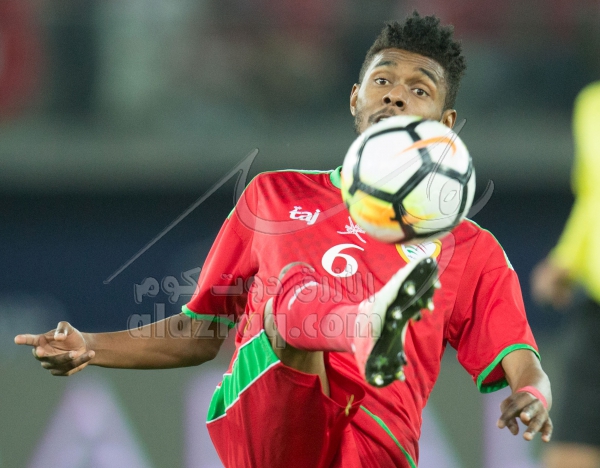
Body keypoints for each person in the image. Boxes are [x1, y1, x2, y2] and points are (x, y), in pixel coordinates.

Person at [15, 12, 553, 468]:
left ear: (446, 123)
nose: (394, 96)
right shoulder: (273, 198)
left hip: (378, 448)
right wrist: (91, 346)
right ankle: (364, 323)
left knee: (296, 294)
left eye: (419, 90)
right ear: (354, 99)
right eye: (382, 80)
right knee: (291, 294)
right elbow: (200, 332)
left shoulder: (470, 248)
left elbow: (521, 359)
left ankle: (361, 324)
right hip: (274, 431)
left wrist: (531, 396)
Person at [531, 81, 600, 468]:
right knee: (568, 455)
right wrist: (566, 260)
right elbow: (592, 195)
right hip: (596, 311)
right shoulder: (592, 105)